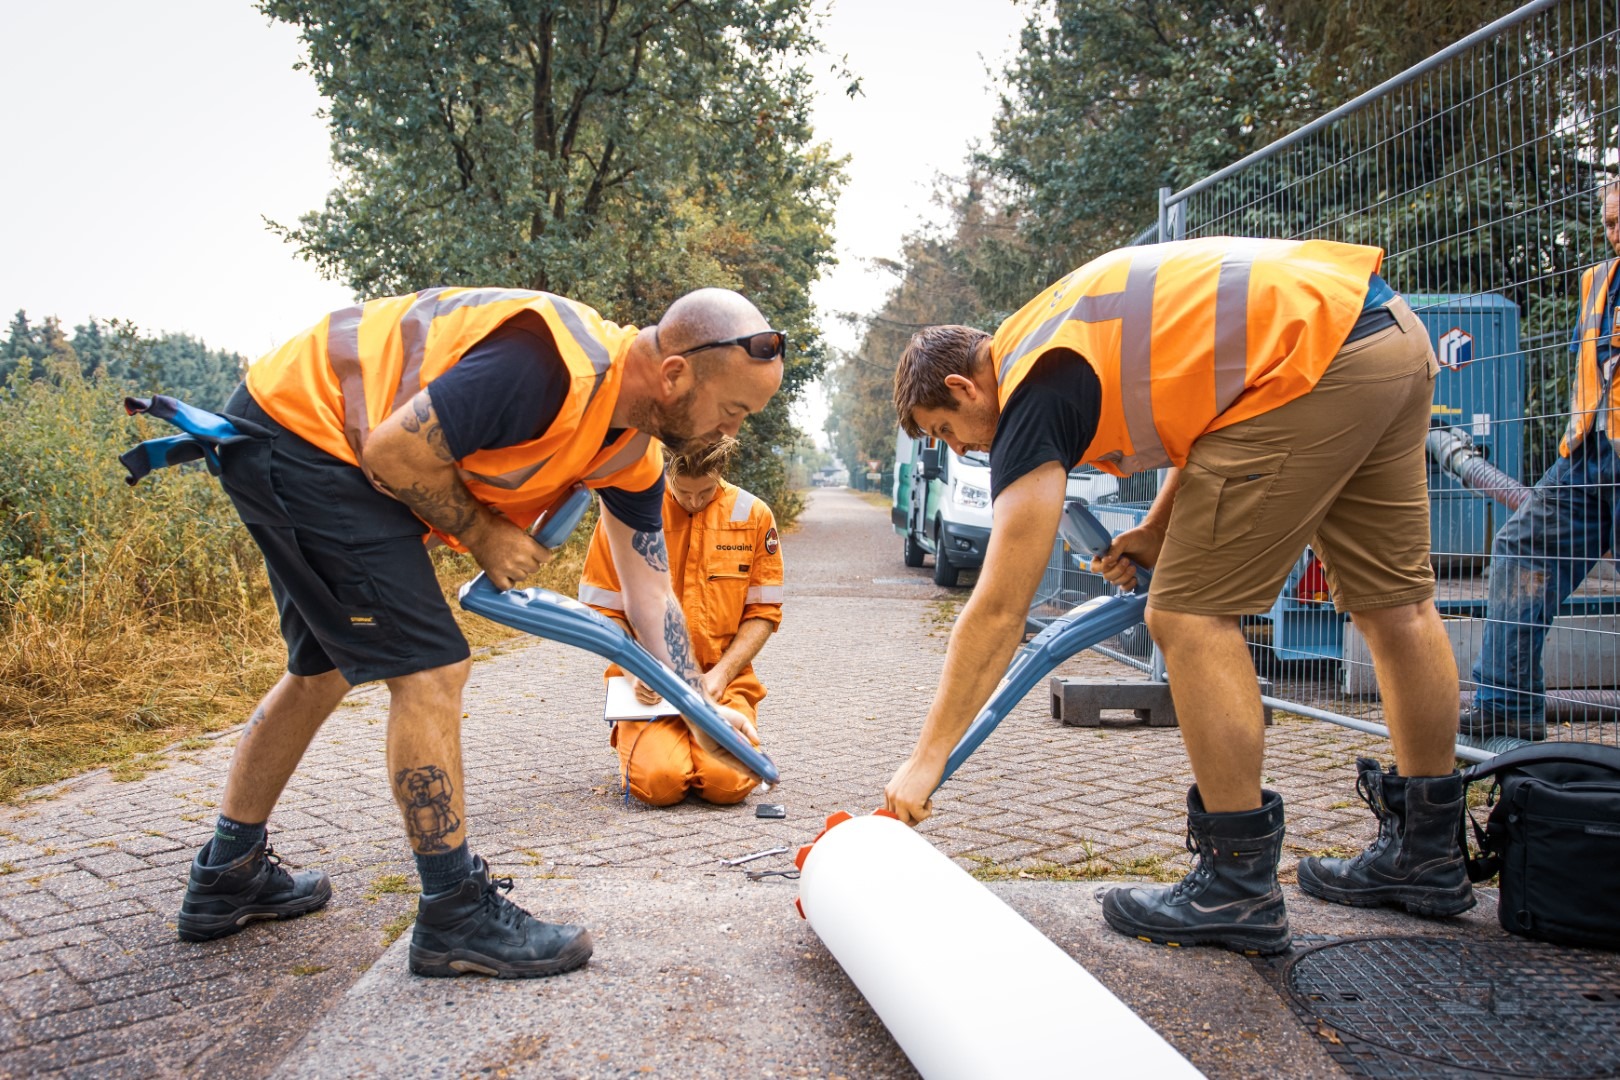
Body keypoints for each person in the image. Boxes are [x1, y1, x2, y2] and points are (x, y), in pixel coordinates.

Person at [883, 236, 1474, 956]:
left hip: (1314, 361)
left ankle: (1237, 888)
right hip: (1384, 334)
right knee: (1397, 605)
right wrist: (1159, 529)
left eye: (949, 433)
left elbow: (1002, 606)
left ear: (961, 388)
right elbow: (1213, 412)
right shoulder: (1057, 332)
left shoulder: (1029, 389)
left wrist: (927, 755)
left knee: (1188, 615)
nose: (969, 451)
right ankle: (1429, 857)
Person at [174, 285, 785, 980]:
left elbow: (653, 600)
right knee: (432, 669)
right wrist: (482, 531)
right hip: (303, 431)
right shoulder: (548, 365)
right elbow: (394, 453)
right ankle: (453, 913)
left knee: (323, 666)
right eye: (732, 410)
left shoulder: (632, 455)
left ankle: (228, 872)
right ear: (675, 376)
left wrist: (699, 714)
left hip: (322, 448)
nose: (728, 434)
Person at [1468, 181, 1620, 741]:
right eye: (1608, 222)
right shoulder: (1596, 280)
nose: (1614, 233)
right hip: (1590, 450)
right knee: (1522, 543)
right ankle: (1504, 704)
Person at [578, 436, 784, 806]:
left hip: (723, 682)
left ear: (721, 472)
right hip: (650, 687)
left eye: (704, 491)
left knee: (726, 782)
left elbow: (763, 614)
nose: (694, 502)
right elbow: (603, 611)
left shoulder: (753, 515)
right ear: (665, 471)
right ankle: (652, 746)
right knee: (661, 784)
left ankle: (703, 749)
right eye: (682, 491)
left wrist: (720, 676)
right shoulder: (626, 513)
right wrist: (635, 671)